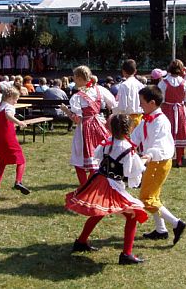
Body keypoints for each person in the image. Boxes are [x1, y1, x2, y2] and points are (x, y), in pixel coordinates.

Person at [66, 114, 148, 265]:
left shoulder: (108, 141)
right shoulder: (127, 148)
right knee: (133, 214)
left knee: (99, 211)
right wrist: (144, 159)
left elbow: (97, 155)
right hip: (112, 185)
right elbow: (132, 171)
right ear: (129, 128)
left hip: (99, 180)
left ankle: (81, 241)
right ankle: (126, 254)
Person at [131, 85, 186, 245]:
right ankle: (161, 230)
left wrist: (148, 155)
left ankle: (177, 224)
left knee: (146, 198)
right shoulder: (146, 119)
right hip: (153, 161)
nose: (140, 104)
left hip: (159, 162)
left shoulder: (161, 121)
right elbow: (135, 137)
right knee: (153, 196)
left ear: (152, 103)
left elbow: (159, 144)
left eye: (142, 101)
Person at [60, 65, 115, 185]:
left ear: (80, 78)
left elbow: (77, 119)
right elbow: (113, 105)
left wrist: (66, 111)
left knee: (80, 159)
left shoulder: (77, 97)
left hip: (85, 128)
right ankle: (94, 184)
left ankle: (86, 186)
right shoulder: (100, 89)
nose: (74, 80)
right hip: (99, 124)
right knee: (99, 155)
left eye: (75, 78)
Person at [0, 87, 30, 196]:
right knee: (21, 160)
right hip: (8, 138)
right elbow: (8, 116)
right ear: (9, 97)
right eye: (15, 99)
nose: (16, 102)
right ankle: (18, 181)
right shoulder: (9, 107)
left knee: (2, 162)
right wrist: (19, 122)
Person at [158, 59, 186, 167]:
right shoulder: (185, 83)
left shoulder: (163, 83)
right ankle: (179, 159)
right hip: (180, 109)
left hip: (167, 110)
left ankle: (168, 157)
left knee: (168, 133)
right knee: (179, 133)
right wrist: (183, 109)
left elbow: (161, 100)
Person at [112, 59, 144, 129]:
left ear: (123, 72)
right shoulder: (141, 85)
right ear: (135, 71)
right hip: (140, 117)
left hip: (128, 119)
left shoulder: (124, 85)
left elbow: (123, 106)